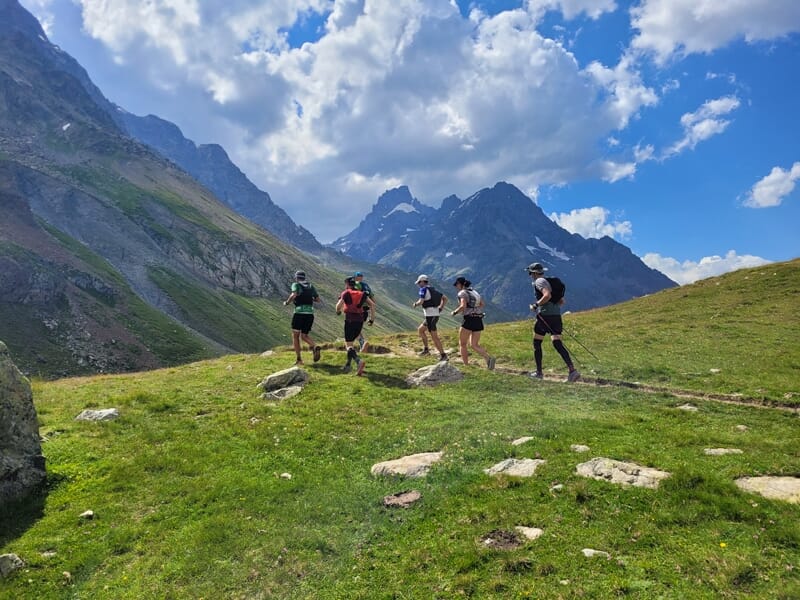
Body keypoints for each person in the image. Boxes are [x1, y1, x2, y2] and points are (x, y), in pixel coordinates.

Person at [526, 262, 580, 382]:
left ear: (534, 273)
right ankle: (572, 371)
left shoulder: (539, 282)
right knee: (557, 344)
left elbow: (547, 295)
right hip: (556, 317)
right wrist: (553, 309)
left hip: (545, 316)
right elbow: (562, 301)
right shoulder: (550, 282)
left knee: (537, 343)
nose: (530, 276)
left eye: (530, 273)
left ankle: (539, 372)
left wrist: (536, 305)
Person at [451, 276, 495, 370]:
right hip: (478, 320)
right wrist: (475, 309)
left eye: (457, 284)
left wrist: (455, 312)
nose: (456, 286)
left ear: (460, 284)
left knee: (462, 344)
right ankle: (488, 358)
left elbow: (463, 306)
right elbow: (482, 304)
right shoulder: (474, 292)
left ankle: (466, 365)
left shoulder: (462, 293)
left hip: (469, 320)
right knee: (474, 345)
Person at [335, 277, 376, 376]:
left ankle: (359, 361)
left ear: (348, 285)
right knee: (351, 344)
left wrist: (338, 312)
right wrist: (371, 319)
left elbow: (338, 306)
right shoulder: (362, 294)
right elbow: (372, 305)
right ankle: (348, 365)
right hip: (360, 321)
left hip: (349, 320)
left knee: (348, 345)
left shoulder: (346, 293)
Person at [282, 270, 322, 366]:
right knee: (304, 336)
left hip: (299, 313)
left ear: (296, 278)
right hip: (310, 313)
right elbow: (318, 299)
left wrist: (287, 303)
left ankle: (299, 359)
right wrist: (308, 298)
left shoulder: (296, 285)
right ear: (304, 278)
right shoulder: (311, 286)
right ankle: (314, 346)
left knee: (295, 335)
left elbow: (294, 294)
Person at [411, 274, 448, 361]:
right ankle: (426, 350)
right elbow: (445, 298)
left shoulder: (423, 289)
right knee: (421, 330)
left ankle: (443, 355)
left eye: (419, 282)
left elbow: (421, 301)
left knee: (434, 337)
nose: (419, 284)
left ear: (423, 282)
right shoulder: (433, 289)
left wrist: (415, 304)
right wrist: (441, 308)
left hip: (431, 317)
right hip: (433, 315)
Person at [353, 271, 374, 351]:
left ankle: (363, 343)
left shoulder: (355, 285)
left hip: (357, 310)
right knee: (358, 328)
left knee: (355, 329)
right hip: (365, 310)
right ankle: (362, 345)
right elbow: (372, 297)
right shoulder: (366, 286)